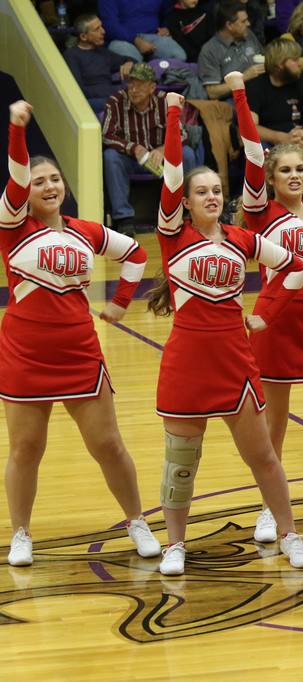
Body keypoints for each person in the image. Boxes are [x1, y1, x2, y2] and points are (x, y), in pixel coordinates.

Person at [149, 91, 303, 576]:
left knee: (263, 456)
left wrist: (266, 311)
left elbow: (297, 266)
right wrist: (174, 116)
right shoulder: (172, 235)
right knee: (181, 462)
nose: (212, 197)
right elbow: (173, 172)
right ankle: (175, 544)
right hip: (186, 363)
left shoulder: (244, 240)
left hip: (235, 362)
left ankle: (288, 532)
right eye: (202, 192)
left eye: (217, 191)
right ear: (185, 201)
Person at [1, 100, 160, 569]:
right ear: (25, 190)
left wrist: (119, 304)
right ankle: (21, 533)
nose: (48, 186)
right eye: (38, 180)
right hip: (25, 356)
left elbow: (133, 254)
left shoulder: (84, 231)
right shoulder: (11, 228)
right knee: (26, 448)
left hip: (79, 352)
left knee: (108, 444)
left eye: (54, 179)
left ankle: (136, 520)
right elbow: (13, 181)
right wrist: (17, 131)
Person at [229, 70, 303, 545]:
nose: (294, 176)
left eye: (300, 169)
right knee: (271, 429)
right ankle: (269, 508)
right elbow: (253, 149)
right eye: (285, 171)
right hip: (273, 325)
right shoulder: (262, 214)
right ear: (272, 179)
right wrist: (241, 94)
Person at [102, 63, 199, 236]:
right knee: (110, 157)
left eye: (140, 84)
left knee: (187, 154)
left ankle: (188, 212)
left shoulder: (165, 101)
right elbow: (106, 135)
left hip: (160, 159)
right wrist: (133, 148)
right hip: (130, 159)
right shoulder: (115, 101)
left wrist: (164, 149)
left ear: (152, 87)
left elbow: (182, 134)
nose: (133, 89)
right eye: (131, 84)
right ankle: (124, 219)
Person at [244, 38, 303, 201]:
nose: (300, 63)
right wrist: (283, 139)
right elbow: (250, 128)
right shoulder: (254, 87)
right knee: (258, 148)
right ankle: (266, 203)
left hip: (301, 139)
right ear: (279, 64)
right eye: (294, 60)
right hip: (271, 141)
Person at [64, 14, 134, 112]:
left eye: (101, 27)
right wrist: (112, 91)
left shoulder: (103, 52)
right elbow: (78, 90)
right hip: (89, 102)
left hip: (109, 96)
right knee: (123, 104)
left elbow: (129, 60)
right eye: (97, 29)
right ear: (84, 36)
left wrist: (129, 62)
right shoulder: (71, 55)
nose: (103, 31)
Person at [198, 2, 264, 101]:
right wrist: (244, 77)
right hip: (235, 100)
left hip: (262, 92)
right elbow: (212, 92)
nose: (248, 24)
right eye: (243, 21)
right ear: (229, 25)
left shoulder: (248, 35)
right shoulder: (210, 50)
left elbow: (263, 56)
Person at [99, 0, 188, 62]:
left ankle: (156, 75)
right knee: (135, 68)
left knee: (179, 56)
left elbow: (168, 12)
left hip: (153, 36)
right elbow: (109, 25)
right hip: (121, 39)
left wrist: (165, 27)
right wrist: (135, 40)